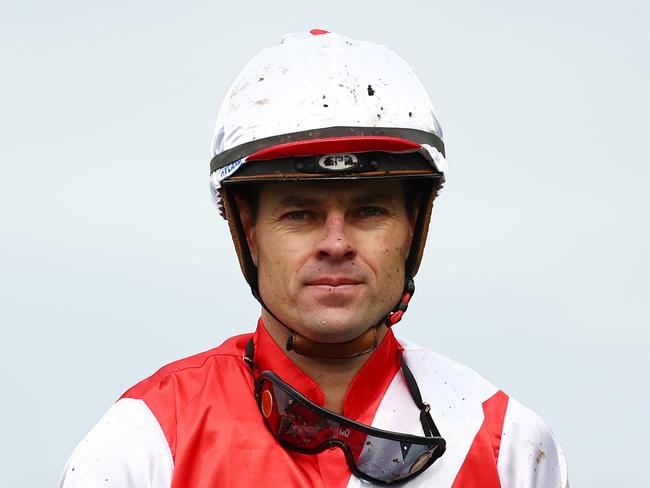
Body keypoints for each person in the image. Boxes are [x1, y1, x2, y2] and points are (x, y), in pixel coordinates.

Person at [60, 31, 568, 487]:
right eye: (300, 214)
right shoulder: (143, 442)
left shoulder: (509, 447)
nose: (336, 242)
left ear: (414, 226)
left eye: (369, 211)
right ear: (249, 232)